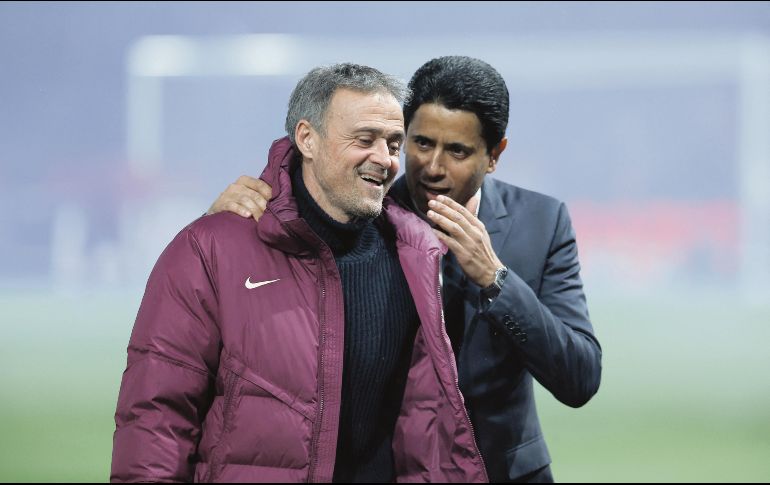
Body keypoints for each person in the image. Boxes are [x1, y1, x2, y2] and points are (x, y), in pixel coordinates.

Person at [210, 56, 602, 482]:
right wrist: (229, 225)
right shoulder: (359, 217)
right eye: (422, 143)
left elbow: (579, 378)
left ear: (494, 155)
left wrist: (496, 280)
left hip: (503, 472)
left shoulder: (542, 223)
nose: (433, 167)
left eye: (457, 151)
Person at [111, 63, 487, 483]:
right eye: (365, 140)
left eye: (393, 144)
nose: (384, 159)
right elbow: (156, 417)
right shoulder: (210, 249)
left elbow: (425, 428)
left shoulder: (415, 255)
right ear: (307, 138)